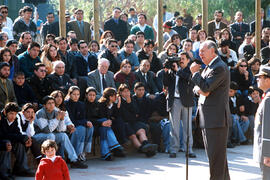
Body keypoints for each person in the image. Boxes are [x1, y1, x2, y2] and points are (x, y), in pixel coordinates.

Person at [190, 40, 231, 179]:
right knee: (218, 160)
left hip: (216, 120)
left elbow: (206, 89)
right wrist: (198, 88)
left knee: (216, 161)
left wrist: (195, 74)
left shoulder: (219, 67)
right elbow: (202, 89)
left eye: (203, 51)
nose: (200, 54)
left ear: (212, 51)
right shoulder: (208, 67)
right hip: (209, 119)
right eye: (199, 51)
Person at [34, 95, 88, 169]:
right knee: (51, 135)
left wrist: (62, 119)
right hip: (37, 136)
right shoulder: (40, 113)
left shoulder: (56, 111)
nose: (52, 105)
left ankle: (74, 160)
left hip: (50, 134)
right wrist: (57, 119)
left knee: (63, 135)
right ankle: (51, 161)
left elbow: (61, 130)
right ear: (44, 105)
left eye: (53, 103)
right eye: (49, 103)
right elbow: (46, 130)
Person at [163, 52, 196, 158]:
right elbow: (165, 83)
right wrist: (167, 71)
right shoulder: (172, 70)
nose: (180, 61)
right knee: (174, 127)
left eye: (182, 59)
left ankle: (188, 149)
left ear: (188, 60)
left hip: (186, 100)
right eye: (179, 59)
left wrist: (178, 71)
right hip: (174, 100)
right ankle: (173, 149)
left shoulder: (189, 70)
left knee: (187, 127)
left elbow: (191, 80)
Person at [118, 84, 158, 157]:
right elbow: (124, 115)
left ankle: (146, 145)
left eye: (128, 91)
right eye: (124, 91)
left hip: (134, 122)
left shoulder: (131, 99)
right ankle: (143, 149)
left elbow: (136, 111)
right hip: (125, 123)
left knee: (141, 131)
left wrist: (130, 103)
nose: (126, 93)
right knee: (133, 136)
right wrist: (133, 115)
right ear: (120, 92)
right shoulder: (119, 101)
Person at [84, 87, 123, 161]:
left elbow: (115, 117)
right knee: (104, 124)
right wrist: (102, 122)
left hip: (100, 126)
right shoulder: (85, 105)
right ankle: (113, 145)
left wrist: (118, 105)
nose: (92, 97)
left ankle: (105, 153)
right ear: (86, 95)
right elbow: (89, 119)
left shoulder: (96, 104)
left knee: (104, 128)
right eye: (90, 95)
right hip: (90, 126)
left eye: (94, 95)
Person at [0, 102, 35, 178]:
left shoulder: (15, 119)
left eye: (15, 114)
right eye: (11, 114)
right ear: (5, 112)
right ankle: (4, 173)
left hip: (8, 140)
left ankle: (22, 169)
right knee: (7, 144)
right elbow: (2, 135)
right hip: (2, 141)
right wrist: (21, 137)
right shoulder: (1, 118)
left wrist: (25, 139)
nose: (13, 116)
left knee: (20, 144)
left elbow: (18, 133)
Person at [64, 86, 94, 161]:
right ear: (69, 94)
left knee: (90, 128)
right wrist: (84, 122)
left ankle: (84, 152)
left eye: (78, 94)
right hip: (69, 126)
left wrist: (86, 122)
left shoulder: (81, 104)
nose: (76, 96)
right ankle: (77, 153)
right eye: (74, 94)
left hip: (79, 124)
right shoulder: (66, 104)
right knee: (81, 129)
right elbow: (71, 120)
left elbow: (82, 118)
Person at [97, 87, 126, 158]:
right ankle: (115, 146)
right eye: (114, 95)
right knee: (106, 127)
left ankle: (116, 148)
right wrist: (109, 121)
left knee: (120, 122)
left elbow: (116, 116)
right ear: (109, 97)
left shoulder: (113, 105)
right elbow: (101, 116)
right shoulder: (101, 104)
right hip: (100, 124)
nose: (116, 97)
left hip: (109, 124)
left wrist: (118, 105)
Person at [253, 65, 270, 180]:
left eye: (260, 77)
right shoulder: (266, 97)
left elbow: (267, 127)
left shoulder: (268, 99)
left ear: (268, 80)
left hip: (266, 153)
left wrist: (267, 153)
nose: (257, 79)